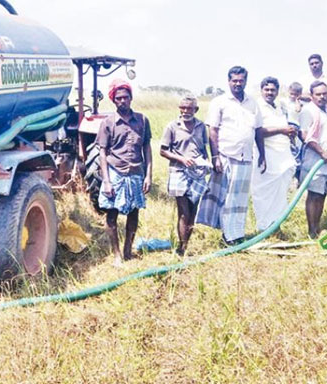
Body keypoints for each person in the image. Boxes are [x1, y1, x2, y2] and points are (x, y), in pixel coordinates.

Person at [196, 66, 266, 246]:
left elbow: (258, 130)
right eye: (234, 80)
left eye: (241, 80)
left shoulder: (252, 103)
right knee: (227, 198)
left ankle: (238, 233)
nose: (237, 84)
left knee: (241, 199)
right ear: (228, 81)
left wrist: (262, 154)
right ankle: (229, 236)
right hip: (227, 155)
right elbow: (213, 130)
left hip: (246, 157)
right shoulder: (220, 102)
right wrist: (215, 157)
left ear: (245, 81)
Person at [97, 79, 153, 263]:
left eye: (126, 97)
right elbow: (102, 152)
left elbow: (147, 147)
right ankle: (116, 254)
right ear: (114, 100)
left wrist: (148, 175)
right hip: (115, 171)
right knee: (112, 214)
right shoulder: (108, 123)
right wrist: (106, 181)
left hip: (136, 172)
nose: (123, 101)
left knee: (133, 212)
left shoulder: (142, 120)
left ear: (131, 98)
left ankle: (128, 249)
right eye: (119, 98)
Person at [159, 95, 211, 256]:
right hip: (178, 172)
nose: (186, 111)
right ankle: (181, 249)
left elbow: (203, 149)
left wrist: (207, 163)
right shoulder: (172, 127)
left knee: (193, 211)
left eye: (189, 108)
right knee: (184, 212)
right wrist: (181, 159)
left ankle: (184, 246)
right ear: (179, 108)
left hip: (197, 173)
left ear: (196, 110)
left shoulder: (201, 127)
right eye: (183, 107)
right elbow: (163, 151)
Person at [250, 77, 297, 232]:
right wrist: (281, 130)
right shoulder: (257, 107)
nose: (270, 93)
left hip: (282, 156)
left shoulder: (279, 107)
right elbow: (257, 132)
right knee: (263, 193)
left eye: (273, 90)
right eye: (267, 89)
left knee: (280, 193)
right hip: (265, 155)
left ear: (277, 91)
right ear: (262, 90)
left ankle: (275, 226)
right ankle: (264, 228)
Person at [299, 80, 327, 239]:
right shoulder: (308, 111)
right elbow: (304, 135)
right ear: (312, 96)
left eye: (324, 93)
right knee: (314, 195)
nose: (322, 97)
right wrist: (321, 151)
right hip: (315, 159)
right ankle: (311, 231)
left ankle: (317, 227)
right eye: (318, 94)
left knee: (322, 194)